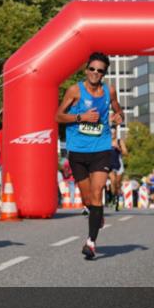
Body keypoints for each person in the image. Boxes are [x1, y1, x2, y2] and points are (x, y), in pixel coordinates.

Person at [55, 52, 124, 260]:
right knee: (87, 199)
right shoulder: (75, 91)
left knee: (97, 193)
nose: (95, 73)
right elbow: (58, 116)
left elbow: (119, 111)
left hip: (101, 149)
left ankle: (90, 242)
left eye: (100, 70)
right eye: (92, 69)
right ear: (86, 70)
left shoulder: (109, 91)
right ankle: (96, 213)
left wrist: (118, 116)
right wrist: (81, 117)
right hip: (77, 151)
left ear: (104, 73)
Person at [108, 133, 128, 211]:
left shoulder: (120, 141)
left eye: (113, 132)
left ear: (116, 133)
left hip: (119, 165)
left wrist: (119, 149)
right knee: (113, 181)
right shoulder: (106, 141)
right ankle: (114, 199)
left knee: (117, 184)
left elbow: (126, 153)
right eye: (111, 132)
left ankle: (118, 199)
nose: (112, 133)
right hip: (109, 165)